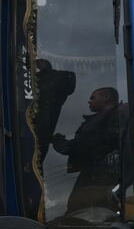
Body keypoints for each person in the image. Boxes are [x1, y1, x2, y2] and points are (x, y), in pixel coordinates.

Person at [53, 87, 123, 216]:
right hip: (100, 173)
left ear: (106, 97)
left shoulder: (107, 118)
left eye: (93, 97)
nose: (89, 101)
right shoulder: (111, 117)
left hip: (98, 175)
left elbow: (83, 145)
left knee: (79, 208)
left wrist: (59, 142)